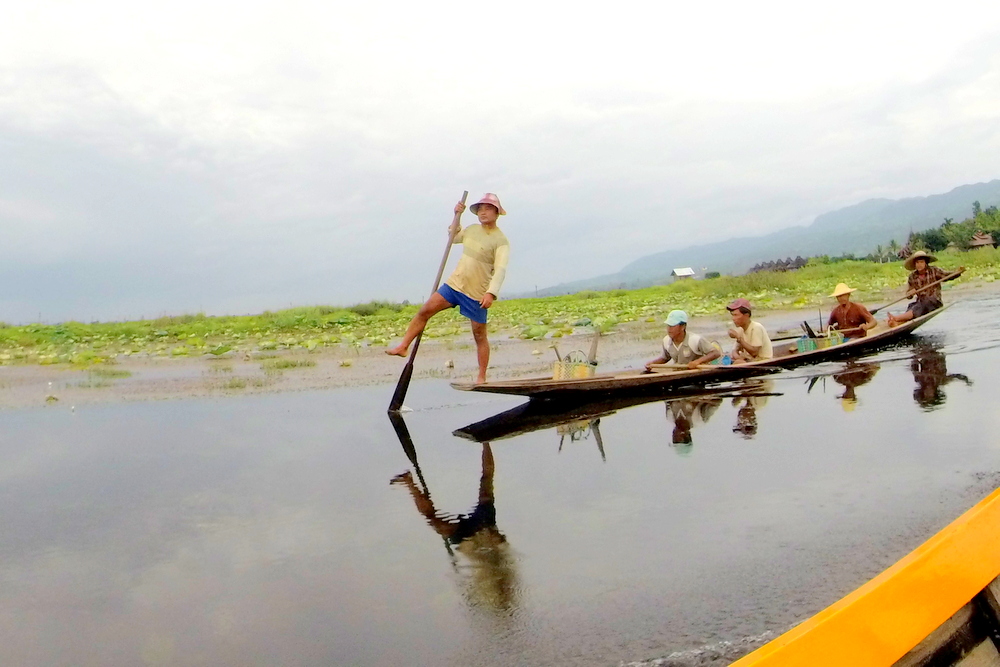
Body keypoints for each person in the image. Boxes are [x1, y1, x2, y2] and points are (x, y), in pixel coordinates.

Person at [387, 193, 510, 383]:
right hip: (454, 285)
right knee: (424, 311)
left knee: (479, 335)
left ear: (496, 212)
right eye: (480, 209)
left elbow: (500, 270)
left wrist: (491, 293)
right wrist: (456, 216)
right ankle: (403, 346)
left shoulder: (501, 241)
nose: (483, 212)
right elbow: (453, 237)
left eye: (488, 209)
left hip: (476, 293)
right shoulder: (471, 230)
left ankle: (482, 376)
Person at [887, 251, 964, 326]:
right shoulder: (912, 277)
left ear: (925, 263)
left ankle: (896, 318)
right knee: (912, 306)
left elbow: (947, 276)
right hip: (920, 304)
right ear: (914, 264)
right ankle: (898, 323)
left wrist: (958, 272)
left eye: (921, 262)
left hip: (934, 302)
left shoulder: (934, 271)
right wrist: (910, 293)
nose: (919, 265)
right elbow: (908, 295)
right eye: (917, 263)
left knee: (924, 303)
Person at [644, 310, 721, 371]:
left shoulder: (695, 340)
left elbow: (715, 353)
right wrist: (653, 363)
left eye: (673, 326)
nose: (669, 329)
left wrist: (697, 362)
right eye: (668, 326)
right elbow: (665, 358)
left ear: (682, 327)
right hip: (678, 373)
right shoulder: (666, 341)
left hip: (695, 372)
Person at [726, 298, 773, 362]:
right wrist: (738, 357)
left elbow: (754, 353)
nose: (733, 319)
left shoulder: (756, 328)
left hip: (762, 360)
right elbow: (735, 350)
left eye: (736, 315)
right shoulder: (741, 329)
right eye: (732, 315)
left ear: (746, 315)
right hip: (749, 361)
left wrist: (738, 338)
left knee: (738, 362)